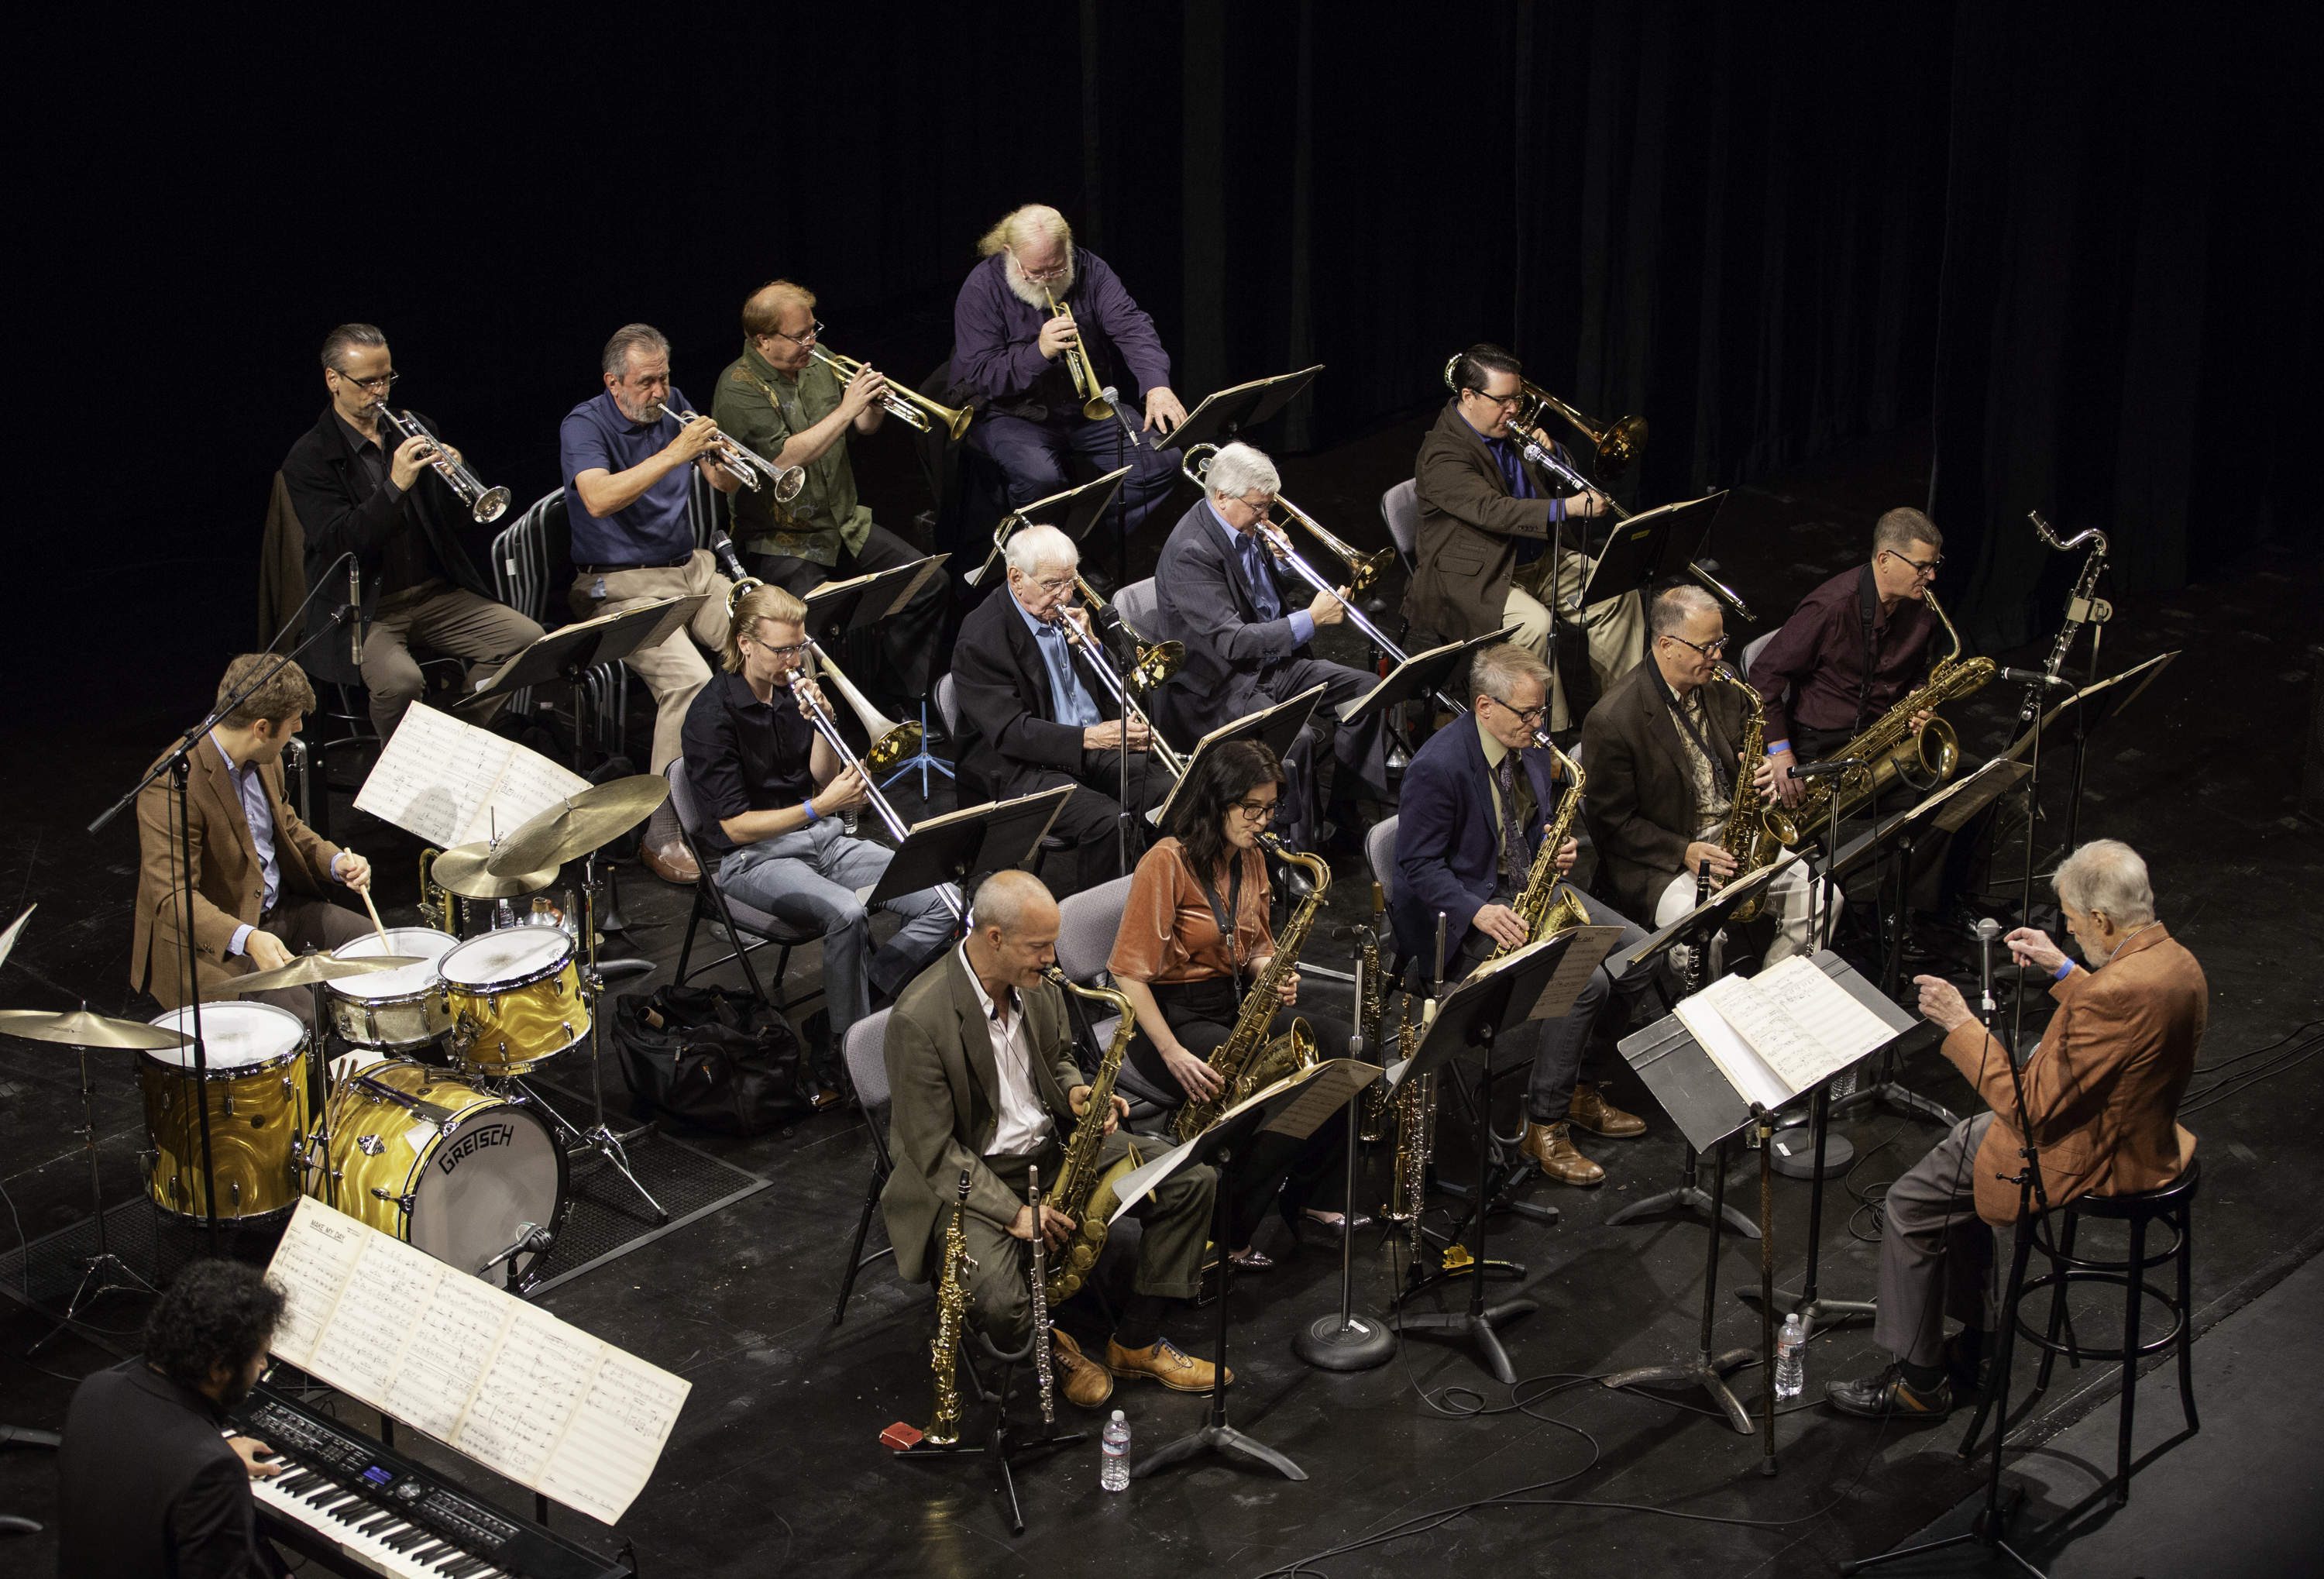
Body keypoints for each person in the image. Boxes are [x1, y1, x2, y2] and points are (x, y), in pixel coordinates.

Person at [1827, 840, 2205, 1419]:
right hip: (2141, 1134)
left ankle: (1918, 1382)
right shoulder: (2176, 961)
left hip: (2096, 1153)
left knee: (1910, 1202)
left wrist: (1960, 1025)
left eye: (2077, 925)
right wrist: (2065, 968)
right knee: (1962, 1162)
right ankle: (1976, 1347)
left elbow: (2031, 1109)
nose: (2075, 932)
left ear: (2103, 919)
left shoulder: (2117, 992)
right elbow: (2122, 1017)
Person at [882, 869, 1222, 1405]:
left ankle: (1136, 1342)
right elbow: (934, 1151)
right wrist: (1014, 1212)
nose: (1051, 958)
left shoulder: (1036, 985)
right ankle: (1051, 1340)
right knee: (998, 1303)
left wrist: (1075, 1093)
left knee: (1191, 1179)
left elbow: (1059, 1058)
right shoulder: (919, 1019)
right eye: (1038, 946)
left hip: (1048, 1149)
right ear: (993, 938)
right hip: (974, 1176)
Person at [1392, 645, 1657, 1185]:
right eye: (1528, 714)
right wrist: (1479, 911)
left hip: (1526, 888)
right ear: (1485, 706)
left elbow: (1529, 822)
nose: (1540, 726)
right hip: (1470, 915)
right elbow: (1416, 865)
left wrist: (1548, 848)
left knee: (1640, 952)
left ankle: (1582, 1088)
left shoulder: (1531, 747)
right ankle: (1545, 1122)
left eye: (1542, 712)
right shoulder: (1438, 766)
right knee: (1584, 984)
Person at [1107, 741, 1370, 1268]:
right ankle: (1227, 1230)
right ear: (1216, 802)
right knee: (1266, 1090)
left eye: (1270, 808)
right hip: (1168, 1019)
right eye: (1252, 809)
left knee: (1347, 1053)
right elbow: (1126, 975)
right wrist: (1175, 1054)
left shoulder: (1252, 858)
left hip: (1236, 1002)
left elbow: (1256, 944)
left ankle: (1309, 1196)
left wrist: (1269, 971)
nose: (1263, 821)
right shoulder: (1166, 863)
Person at [681, 585, 957, 1057]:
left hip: (823, 840)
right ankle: (849, 1048)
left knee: (946, 897)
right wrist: (819, 807)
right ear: (745, 643)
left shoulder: (792, 691)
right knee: (846, 914)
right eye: (782, 649)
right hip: (754, 858)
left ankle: (856, 1003)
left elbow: (821, 776)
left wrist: (822, 724)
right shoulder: (710, 718)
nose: (794, 660)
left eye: (799, 647)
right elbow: (732, 829)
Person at [280, 323, 543, 741]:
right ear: (333, 380)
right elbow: (340, 545)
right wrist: (395, 486)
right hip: (365, 609)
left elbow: (458, 522)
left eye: (386, 378)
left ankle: (453, 739)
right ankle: (399, 784)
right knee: (402, 682)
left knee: (528, 641)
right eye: (367, 382)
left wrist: (459, 473)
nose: (380, 392)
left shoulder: (413, 425)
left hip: (434, 596)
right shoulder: (309, 458)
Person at [559, 322, 743, 883]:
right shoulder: (584, 424)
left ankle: (783, 794)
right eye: (645, 383)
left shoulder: (673, 405)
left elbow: (725, 488)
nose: (659, 393)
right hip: (619, 584)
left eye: (665, 379)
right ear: (614, 383)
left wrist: (720, 461)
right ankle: (660, 834)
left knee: (777, 634)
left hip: (690, 570)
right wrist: (675, 454)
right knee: (688, 680)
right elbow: (597, 499)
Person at [710, 280, 947, 707]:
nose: (812, 341)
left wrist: (871, 408)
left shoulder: (819, 363)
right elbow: (783, 459)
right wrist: (848, 408)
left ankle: (898, 701)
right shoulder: (737, 386)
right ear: (762, 339)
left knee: (928, 584)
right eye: (800, 335)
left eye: (813, 329)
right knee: (804, 626)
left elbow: (861, 429)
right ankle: (814, 724)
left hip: (843, 522)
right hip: (783, 540)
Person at [1148, 442, 1390, 854]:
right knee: (1299, 740)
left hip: (1273, 665)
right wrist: (1311, 620)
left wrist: (1278, 561)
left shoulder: (1243, 524)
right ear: (1221, 496)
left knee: (1370, 690)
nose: (1266, 518)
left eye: (1269, 507)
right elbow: (1233, 641)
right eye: (1259, 507)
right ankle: (1291, 848)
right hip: (1220, 685)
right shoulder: (1191, 551)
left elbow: (1262, 600)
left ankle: (1346, 812)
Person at [1580, 586, 1832, 968]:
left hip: (1734, 837)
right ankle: (1707, 1021)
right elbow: (1611, 825)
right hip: (1666, 858)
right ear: (1667, 645)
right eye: (1706, 647)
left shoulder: (1724, 682)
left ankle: (1778, 999)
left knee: (1822, 897)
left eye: (1721, 642)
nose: (1718, 655)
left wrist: (1760, 771)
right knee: (1702, 941)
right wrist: (1685, 851)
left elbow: (1745, 756)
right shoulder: (1613, 719)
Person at [1405, 344, 1641, 731]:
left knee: (1616, 590)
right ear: (1468, 396)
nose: (1514, 409)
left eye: (1517, 398)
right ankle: (1550, 738)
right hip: (1475, 574)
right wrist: (1570, 508)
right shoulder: (1441, 452)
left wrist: (1555, 455)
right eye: (1503, 401)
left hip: (1532, 557)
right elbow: (1493, 510)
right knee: (1533, 623)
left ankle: (1618, 718)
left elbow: (1542, 482)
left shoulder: (1508, 430)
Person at [132, 655, 376, 1027]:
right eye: (289, 730)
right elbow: (171, 897)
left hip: (279, 910)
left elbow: (286, 824)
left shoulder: (265, 757)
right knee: (304, 1018)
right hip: (218, 939)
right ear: (261, 728)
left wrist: (334, 862)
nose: (293, 737)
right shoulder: (170, 785)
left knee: (378, 952)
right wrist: (246, 938)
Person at [950, 525, 1171, 895]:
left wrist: (1095, 648)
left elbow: (1113, 689)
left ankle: (1157, 902)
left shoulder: (1063, 612)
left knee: (1165, 794)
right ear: (1016, 578)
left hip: (1084, 746)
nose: (1065, 595)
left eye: (1071, 582)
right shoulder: (982, 636)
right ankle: (1100, 928)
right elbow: (1012, 732)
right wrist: (1092, 737)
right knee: (1105, 822)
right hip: (1020, 766)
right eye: (1053, 584)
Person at [951, 203, 1187, 539]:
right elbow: (982, 375)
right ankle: (1036, 555)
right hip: (1013, 413)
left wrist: (1156, 386)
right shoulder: (981, 289)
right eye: (1035, 272)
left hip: (1086, 409)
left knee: (1164, 463)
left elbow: (1132, 327)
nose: (1047, 279)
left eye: (1057, 268)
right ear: (1009, 253)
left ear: (1068, 247)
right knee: (1041, 479)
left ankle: (1077, 543)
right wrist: (1039, 352)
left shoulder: (1092, 269)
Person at [57, 1258, 290, 1577]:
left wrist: (204, 1450)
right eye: (259, 1356)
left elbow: (146, 1463)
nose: (262, 1367)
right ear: (219, 1368)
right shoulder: (211, 1472)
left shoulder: (95, 1389)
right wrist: (210, 1461)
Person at [1752, 507, 1948, 801]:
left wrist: (1919, 698)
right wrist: (1780, 753)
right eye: (1921, 566)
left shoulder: (1921, 607)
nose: (1930, 576)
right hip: (1823, 745)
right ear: (1885, 560)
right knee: (1927, 804)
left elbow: (1919, 670)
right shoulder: (1830, 608)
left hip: (1883, 735)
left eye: (1935, 565)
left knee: (1963, 784)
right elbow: (1764, 674)